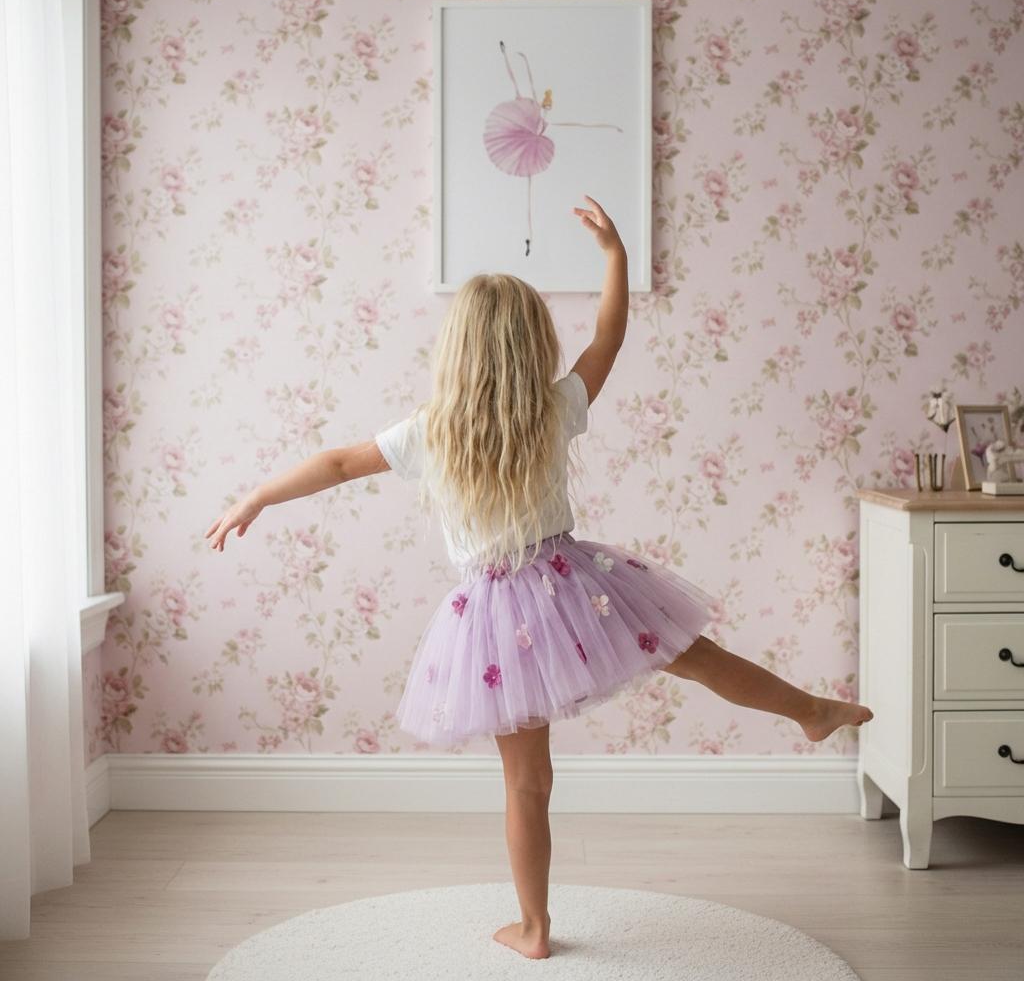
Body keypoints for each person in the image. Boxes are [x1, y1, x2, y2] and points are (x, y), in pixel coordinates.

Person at [204, 194, 873, 962]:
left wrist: (255, 497)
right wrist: (615, 255)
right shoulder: (555, 407)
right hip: (579, 586)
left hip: (494, 617)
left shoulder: (431, 433)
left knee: (528, 783)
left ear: (456, 351)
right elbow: (609, 336)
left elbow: (334, 463)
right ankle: (811, 710)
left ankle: (534, 927)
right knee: (698, 657)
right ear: (530, 344)